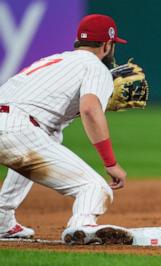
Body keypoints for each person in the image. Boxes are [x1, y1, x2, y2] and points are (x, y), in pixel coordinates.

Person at [0, 14, 133, 244]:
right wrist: (111, 163)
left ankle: (2, 218)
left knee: (50, 137)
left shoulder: (55, 61)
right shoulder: (97, 68)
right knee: (94, 188)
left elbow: (49, 112)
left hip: (14, 122)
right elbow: (91, 109)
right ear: (107, 44)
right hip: (18, 129)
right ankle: (81, 226)